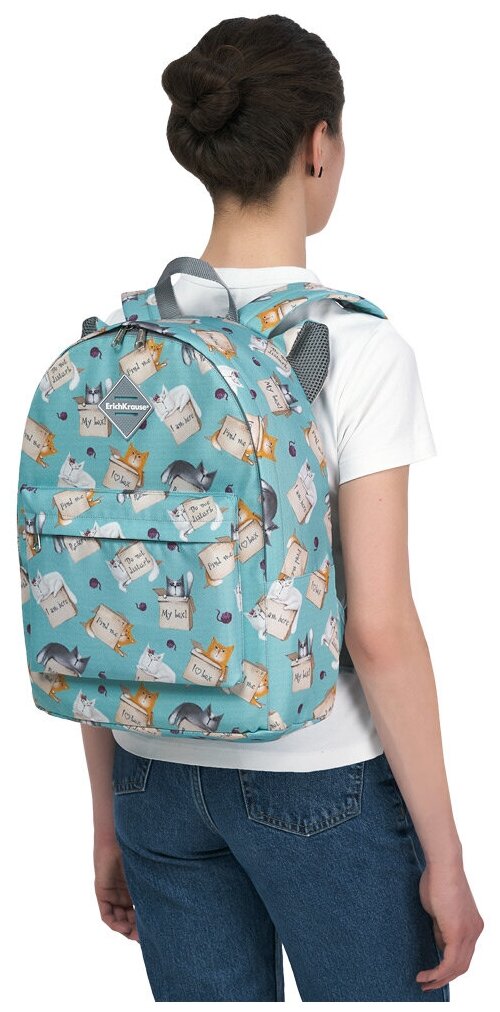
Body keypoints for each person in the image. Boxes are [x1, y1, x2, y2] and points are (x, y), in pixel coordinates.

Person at [80, 14, 483, 1002]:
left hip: (149, 777)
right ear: (317, 144)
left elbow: (98, 601)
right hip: (317, 778)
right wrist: (445, 855)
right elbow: (378, 629)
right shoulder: (354, 349)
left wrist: (108, 816)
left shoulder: (119, 349)